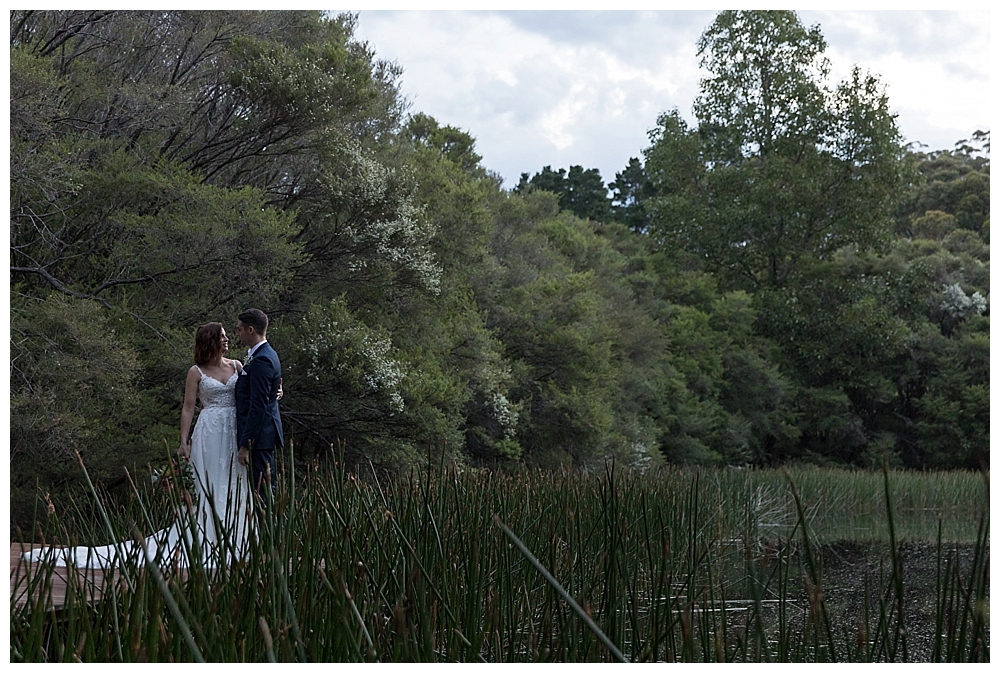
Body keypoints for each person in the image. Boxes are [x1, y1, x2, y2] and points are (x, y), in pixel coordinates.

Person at [21, 323, 251, 569]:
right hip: (209, 432)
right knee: (208, 480)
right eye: (222, 336)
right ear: (211, 341)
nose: (227, 339)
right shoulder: (196, 372)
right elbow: (188, 407)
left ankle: (236, 536)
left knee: (233, 479)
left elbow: (251, 394)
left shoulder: (237, 366)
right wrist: (183, 442)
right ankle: (207, 536)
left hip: (233, 430)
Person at [234, 308, 284, 496]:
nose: (237, 334)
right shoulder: (260, 354)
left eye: (239, 329)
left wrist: (247, 444)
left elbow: (259, 406)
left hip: (260, 438)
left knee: (262, 492)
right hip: (260, 436)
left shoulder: (263, 359)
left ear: (251, 330)